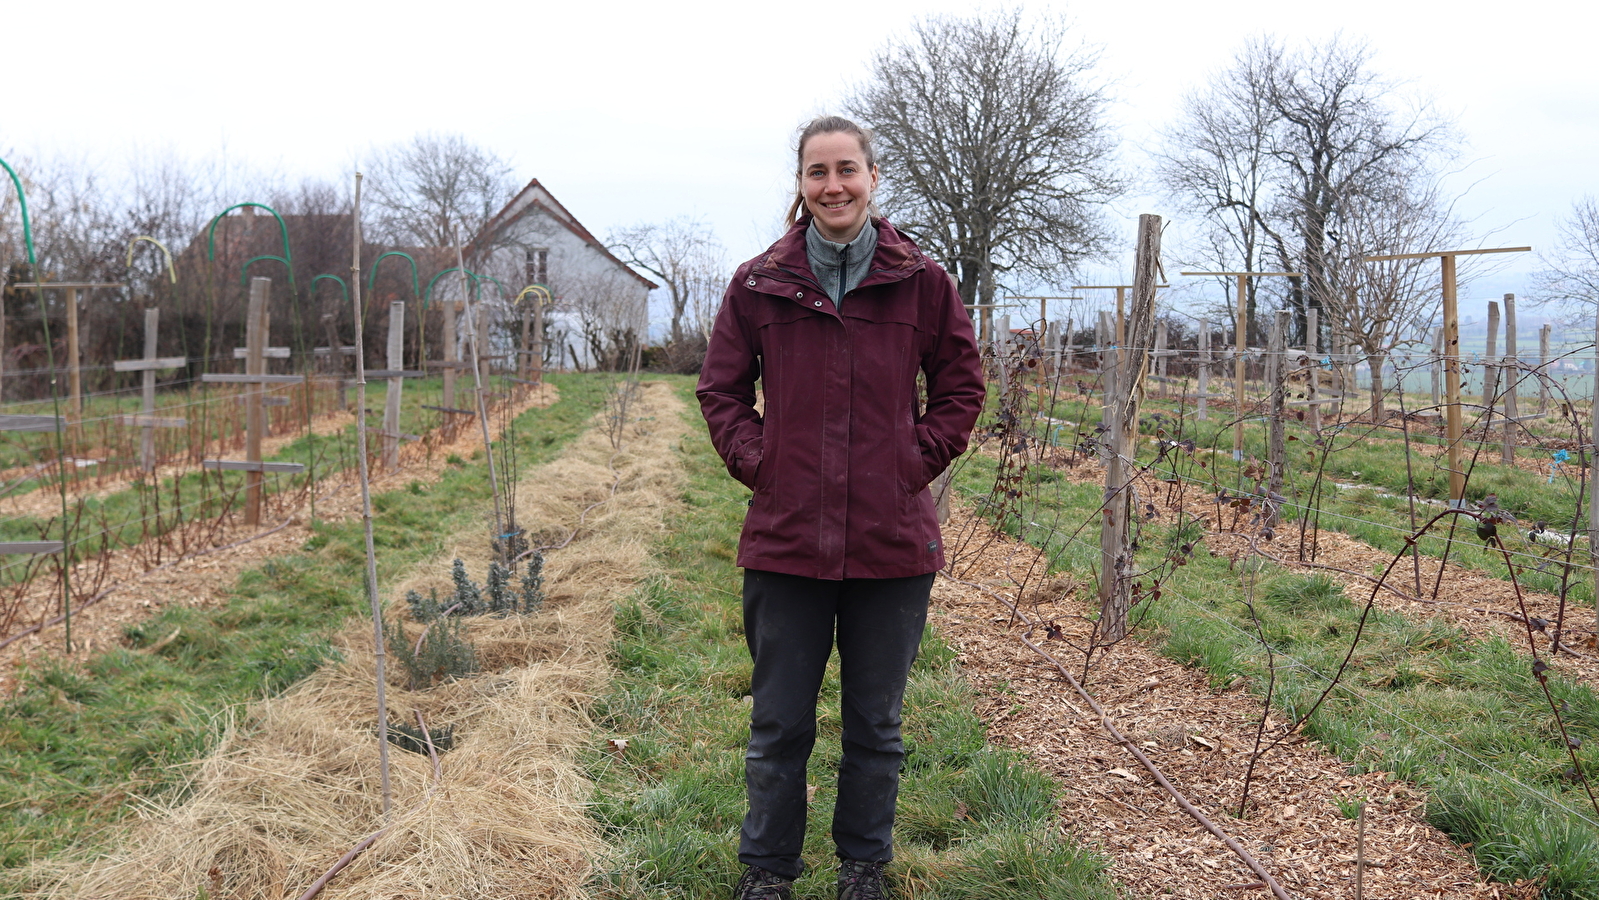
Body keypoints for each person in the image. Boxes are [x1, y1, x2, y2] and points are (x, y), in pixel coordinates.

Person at [697, 115, 986, 900]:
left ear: (872, 177)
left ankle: (862, 867)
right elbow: (720, 391)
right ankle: (767, 871)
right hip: (786, 538)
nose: (833, 186)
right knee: (778, 723)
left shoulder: (922, 283)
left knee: (875, 725)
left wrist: (909, 464)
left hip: (891, 543)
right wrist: (762, 465)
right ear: (800, 183)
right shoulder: (758, 284)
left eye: (846, 169)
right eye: (817, 172)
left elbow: (961, 389)